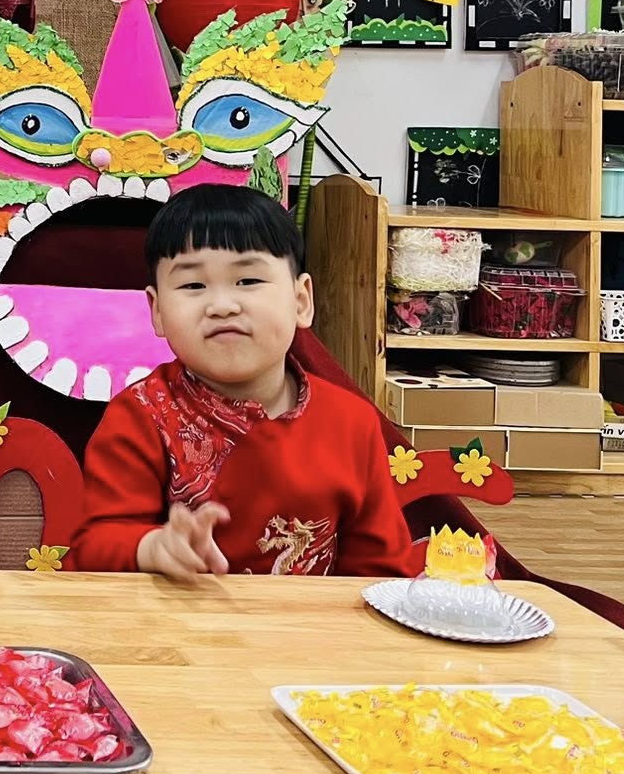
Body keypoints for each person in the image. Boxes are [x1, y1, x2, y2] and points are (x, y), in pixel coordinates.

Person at [71, 184, 411, 579]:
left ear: (301, 301)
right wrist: (151, 547)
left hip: (310, 619)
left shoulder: (352, 421)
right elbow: (94, 545)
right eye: (193, 286)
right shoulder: (141, 415)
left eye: (248, 280)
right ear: (157, 310)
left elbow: (380, 570)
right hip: (180, 615)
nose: (222, 306)